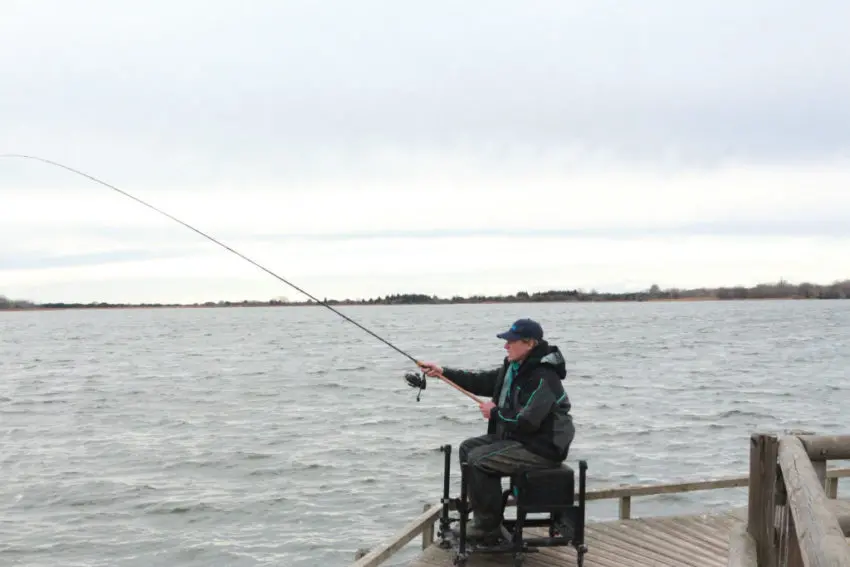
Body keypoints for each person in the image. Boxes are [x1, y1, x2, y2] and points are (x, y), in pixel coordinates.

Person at [418, 318, 575, 542]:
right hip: (521, 439)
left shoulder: (544, 377)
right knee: (468, 449)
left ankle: (487, 527)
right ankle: (485, 515)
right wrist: (443, 372)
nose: (506, 346)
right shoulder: (514, 368)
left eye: (511, 341)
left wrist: (495, 413)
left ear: (529, 343)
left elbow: (528, 421)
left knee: (479, 460)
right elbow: (481, 381)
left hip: (542, 447)